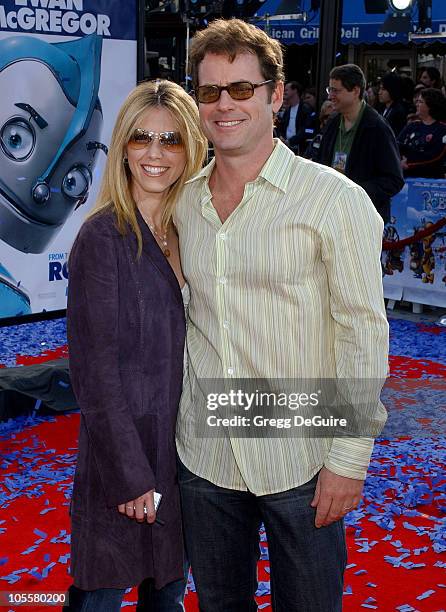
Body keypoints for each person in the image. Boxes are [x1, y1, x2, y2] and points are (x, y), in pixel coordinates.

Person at [175, 19, 389, 612]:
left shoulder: (333, 199)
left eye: (241, 89)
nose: (224, 105)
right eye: (210, 91)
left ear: (275, 94)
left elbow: (363, 333)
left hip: (303, 456)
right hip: (206, 453)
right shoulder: (183, 202)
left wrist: (348, 458)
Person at [65, 79, 207, 611]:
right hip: (122, 457)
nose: (154, 153)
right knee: (99, 596)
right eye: (141, 137)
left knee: (166, 596)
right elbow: (94, 371)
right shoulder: (103, 238)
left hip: (185, 455)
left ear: (190, 146)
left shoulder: (193, 231)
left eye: (170, 140)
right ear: (122, 145)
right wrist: (129, 477)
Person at [316, 63, 404, 223]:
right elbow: (320, 163)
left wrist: (354, 192)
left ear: (355, 91)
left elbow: (394, 180)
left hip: (364, 218)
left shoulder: (377, 127)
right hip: (331, 216)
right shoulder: (333, 123)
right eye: (330, 90)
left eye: (336, 90)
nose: (330, 96)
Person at [398, 87, 446, 179]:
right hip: (406, 179)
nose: (416, 104)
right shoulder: (412, 126)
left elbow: (435, 157)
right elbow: (396, 145)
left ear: (430, 106)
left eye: (420, 102)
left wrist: (409, 162)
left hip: (431, 182)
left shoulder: (442, 130)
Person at [276, 80, 316, 154]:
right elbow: (281, 127)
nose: (284, 92)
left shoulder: (306, 109)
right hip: (286, 148)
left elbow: (306, 129)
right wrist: (282, 138)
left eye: (287, 90)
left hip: (300, 149)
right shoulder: (287, 111)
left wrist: (290, 141)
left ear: (295, 90)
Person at [378, 72, 408, 136]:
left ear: (392, 90)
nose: (379, 92)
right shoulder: (381, 108)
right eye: (380, 89)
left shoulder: (399, 111)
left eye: (383, 89)